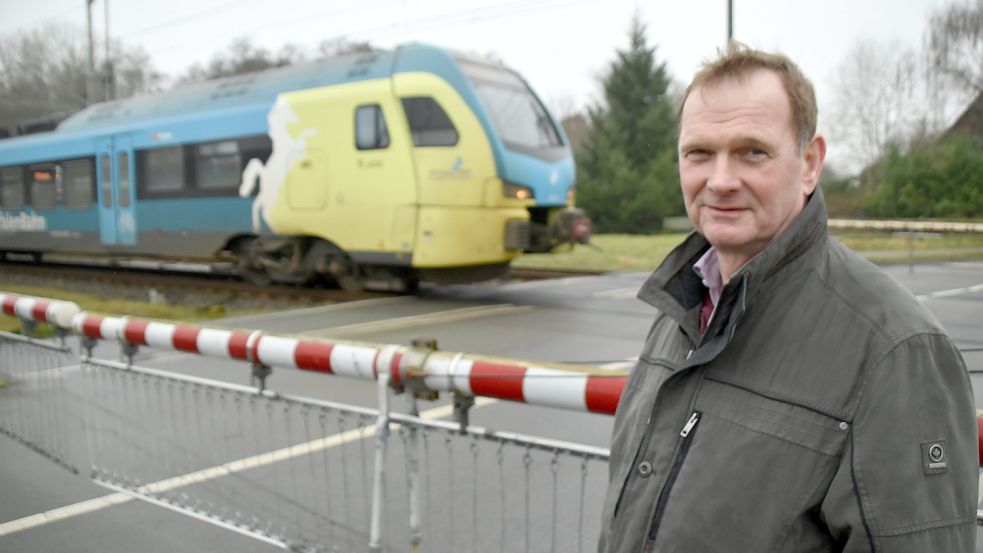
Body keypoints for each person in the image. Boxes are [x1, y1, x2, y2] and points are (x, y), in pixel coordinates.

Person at [597, 42, 978, 552]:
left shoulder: (898, 351)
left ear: (809, 163)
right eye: (699, 153)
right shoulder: (682, 306)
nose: (721, 180)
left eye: (752, 151)